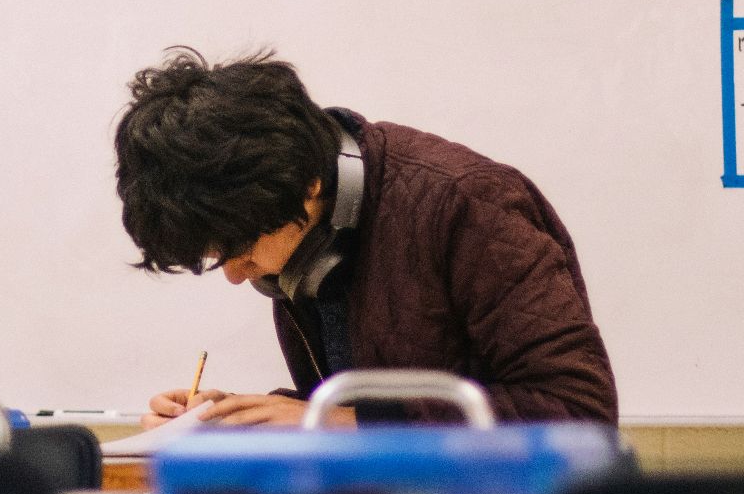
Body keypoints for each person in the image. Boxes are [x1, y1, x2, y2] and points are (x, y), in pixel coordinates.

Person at [114, 47, 617, 429]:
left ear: (307, 185)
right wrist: (241, 420)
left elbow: (578, 411)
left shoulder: (468, 202)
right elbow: (375, 397)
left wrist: (340, 424)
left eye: (240, 251)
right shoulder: (311, 235)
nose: (234, 276)